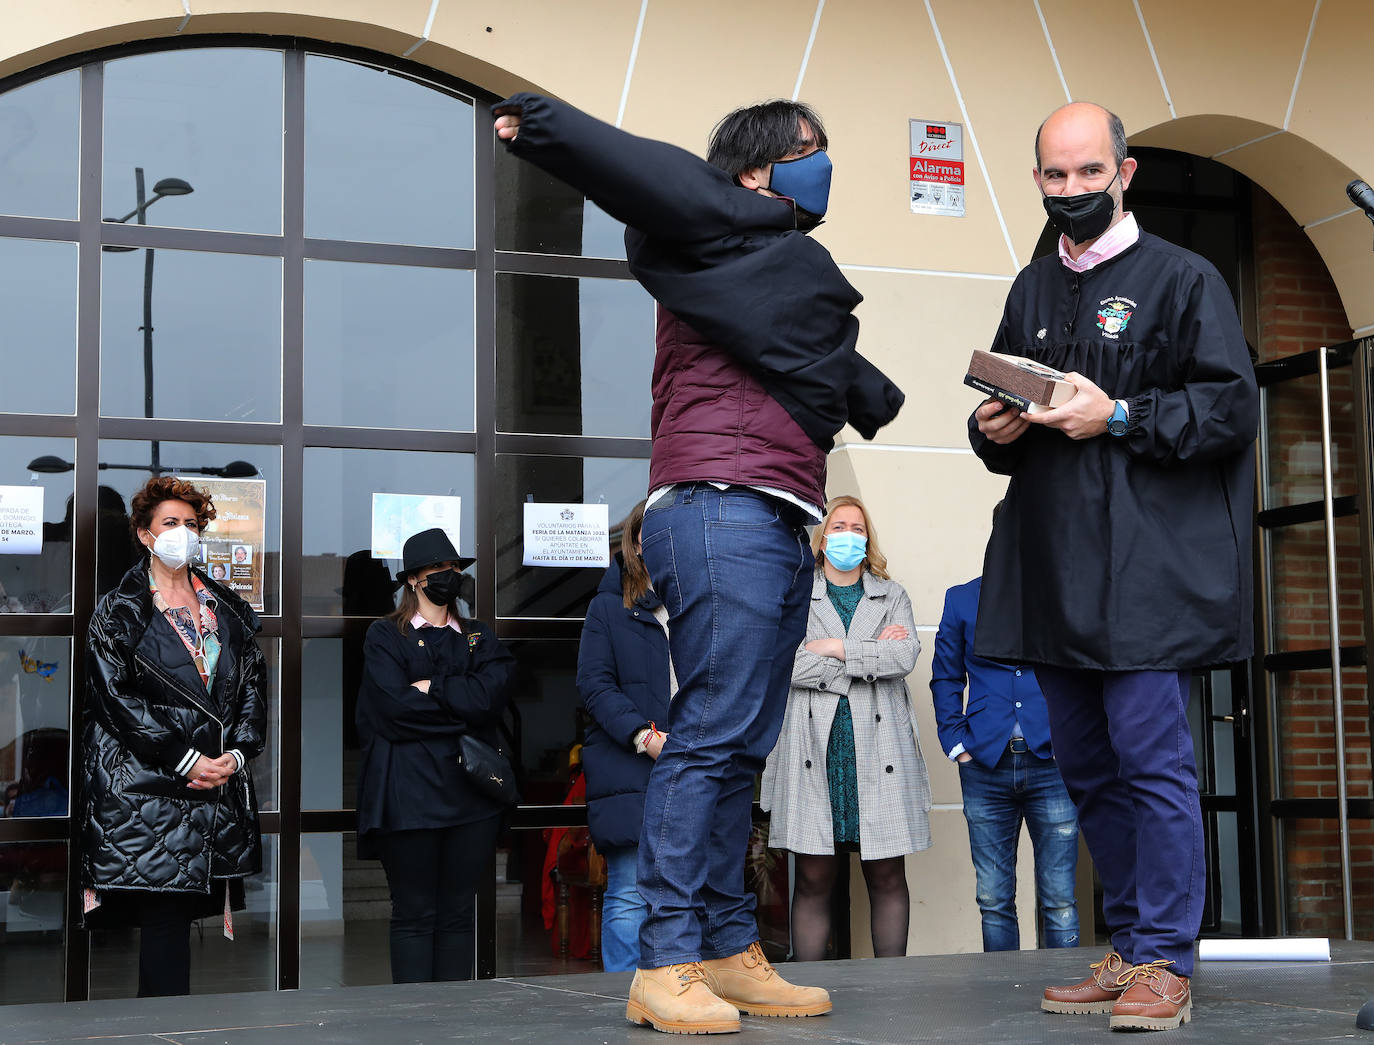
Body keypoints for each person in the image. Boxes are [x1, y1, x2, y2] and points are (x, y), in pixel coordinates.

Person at [494, 93, 903, 1033]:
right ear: (755, 172)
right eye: (806, 151)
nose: (822, 164)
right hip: (720, 507)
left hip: (772, 511)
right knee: (712, 734)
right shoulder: (716, 231)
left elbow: (826, 365)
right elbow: (644, 168)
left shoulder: (765, 259)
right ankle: (668, 954)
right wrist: (545, 128)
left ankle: (724, 944)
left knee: (740, 746)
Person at [970, 102, 1258, 1032]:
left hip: (1145, 572)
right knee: (1088, 770)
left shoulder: (1184, 278)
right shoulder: (1030, 285)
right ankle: (1131, 946)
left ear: (1123, 174)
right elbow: (1012, 426)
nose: (1071, 192)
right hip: (1051, 568)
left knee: (1152, 765)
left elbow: (1229, 409)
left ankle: (1168, 958)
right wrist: (992, 429)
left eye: (1088, 174)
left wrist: (1123, 415)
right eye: (1054, 177)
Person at [82, 475, 267, 997]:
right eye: (170, 523)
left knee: (178, 927)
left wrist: (236, 752)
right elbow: (114, 698)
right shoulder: (118, 609)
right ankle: (160, 1032)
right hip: (147, 788)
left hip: (213, 786)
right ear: (144, 534)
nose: (181, 532)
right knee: (163, 930)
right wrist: (183, 757)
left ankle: (169, 1029)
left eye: (190, 524)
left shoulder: (225, 608)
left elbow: (252, 686)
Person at [762, 495, 930, 961]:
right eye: (839, 526)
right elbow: (785, 664)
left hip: (880, 749)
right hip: (816, 746)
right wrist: (866, 655)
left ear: (868, 538)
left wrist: (834, 645)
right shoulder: (796, 591)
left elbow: (903, 657)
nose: (848, 535)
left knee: (887, 873)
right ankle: (808, 986)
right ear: (822, 536)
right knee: (814, 877)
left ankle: (892, 990)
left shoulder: (891, 594)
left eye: (858, 528)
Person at [355, 527, 515, 983]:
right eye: (437, 570)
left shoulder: (479, 637)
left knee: (458, 914)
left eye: (453, 569)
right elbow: (391, 709)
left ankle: (452, 1021)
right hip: (408, 797)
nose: (448, 576)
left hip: (472, 797)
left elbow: (492, 697)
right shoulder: (385, 635)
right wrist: (465, 709)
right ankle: (413, 1022)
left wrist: (435, 689)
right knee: (414, 913)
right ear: (412, 579)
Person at [930, 562, 1079, 953]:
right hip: (984, 762)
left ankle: (1066, 987)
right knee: (994, 900)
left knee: (1060, 899)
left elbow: (1081, 670)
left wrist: (1075, 738)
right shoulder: (961, 598)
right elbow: (946, 676)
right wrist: (956, 743)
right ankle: (1003, 991)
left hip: (1052, 761)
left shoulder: (1063, 592)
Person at [576, 500, 672, 972]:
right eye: (651, 533)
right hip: (631, 767)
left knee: (692, 899)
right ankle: (624, 1001)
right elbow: (594, 685)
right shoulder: (607, 608)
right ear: (635, 542)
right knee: (631, 896)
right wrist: (645, 736)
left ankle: (680, 994)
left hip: (694, 767)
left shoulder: (698, 604)